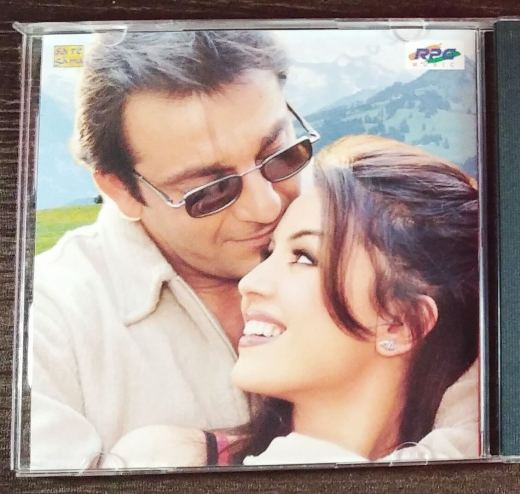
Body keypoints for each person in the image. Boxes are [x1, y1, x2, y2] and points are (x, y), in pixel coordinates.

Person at [103, 135, 480, 467]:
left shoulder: (466, 464)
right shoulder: (168, 460)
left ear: (400, 323)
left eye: (303, 257)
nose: (249, 283)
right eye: (269, 253)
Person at [29, 31, 308, 470]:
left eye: (281, 155)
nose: (266, 206)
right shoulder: (43, 326)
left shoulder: (372, 239)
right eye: (210, 192)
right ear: (121, 190)